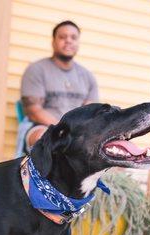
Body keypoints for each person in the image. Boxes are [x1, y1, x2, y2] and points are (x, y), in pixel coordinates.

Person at [15, 20, 99, 157]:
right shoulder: (36, 70)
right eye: (62, 37)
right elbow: (34, 111)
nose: (68, 41)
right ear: (53, 42)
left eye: (73, 37)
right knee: (42, 138)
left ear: (78, 43)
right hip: (43, 127)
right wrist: (65, 130)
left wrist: (76, 133)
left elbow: (90, 113)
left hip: (77, 131)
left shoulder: (88, 76)